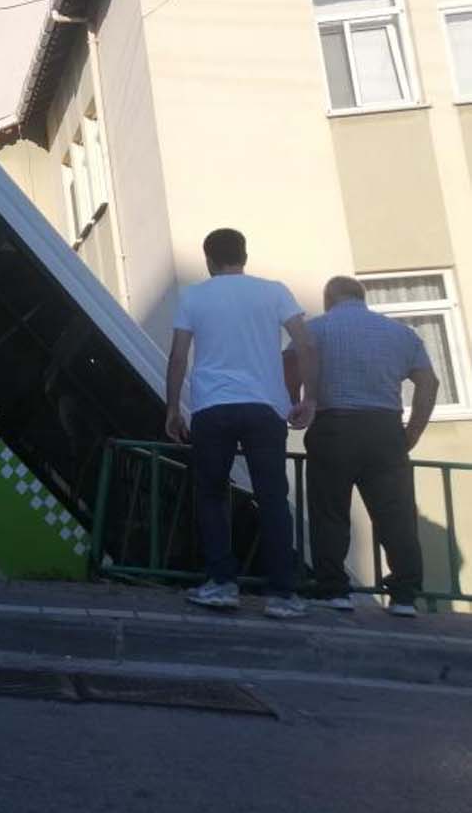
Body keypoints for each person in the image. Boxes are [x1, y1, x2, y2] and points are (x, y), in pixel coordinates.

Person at [165, 228, 319, 618]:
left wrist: (172, 409)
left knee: (212, 494)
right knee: (271, 498)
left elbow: (179, 357)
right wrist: (308, 399)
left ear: (208, 260)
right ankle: (283, 594)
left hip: (212, 408)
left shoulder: (194, 295)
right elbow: (305, 344)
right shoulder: (275, 291)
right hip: (265, 408)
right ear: (244, 255)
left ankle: (222, 584)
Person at [294, 276, 438, 617]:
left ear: (329, 299)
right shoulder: (401, 334)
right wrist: (412, 431)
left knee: (329, 511)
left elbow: (289, 362)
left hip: (334, 426)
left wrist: (300, 401)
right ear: (363, 297)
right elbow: (428, 382)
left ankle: (334, 590)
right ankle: (404, 595)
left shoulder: (316, 329)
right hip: (385, 429)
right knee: (396, 513)